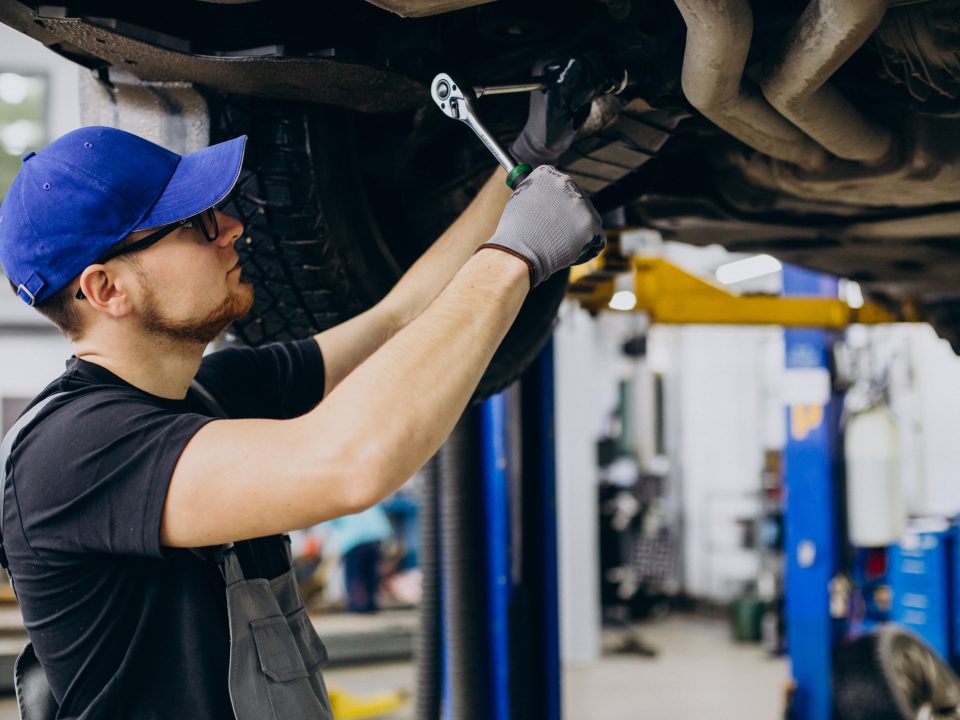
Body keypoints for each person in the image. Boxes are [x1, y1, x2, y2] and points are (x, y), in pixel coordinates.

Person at [0, 62, 604, 718]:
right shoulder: (71, 452)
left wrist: (517, 167)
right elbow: (349, 465)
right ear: (105, 289)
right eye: (196, 223)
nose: (232, 228)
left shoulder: (212, 394)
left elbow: (395, 318)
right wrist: (515, 257)